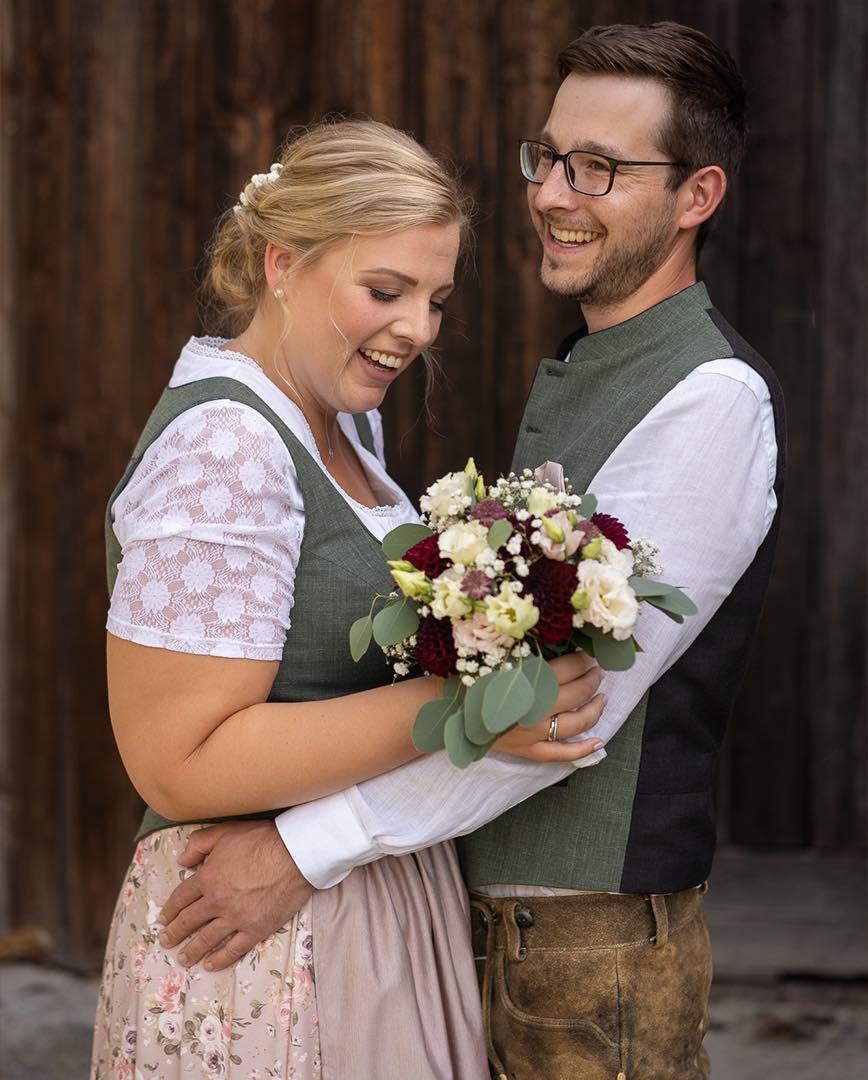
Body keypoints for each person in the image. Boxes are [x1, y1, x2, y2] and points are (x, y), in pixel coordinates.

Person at [157, 22, 785, 1080]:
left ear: (696, 198)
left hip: (586, 950)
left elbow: (569, 712)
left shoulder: (711, 401)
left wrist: (301, 850)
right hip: (480, 926)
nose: (550, 193)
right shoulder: (595, 366)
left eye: (600, 168)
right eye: (548, 156)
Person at [90, 119, 608, 1080]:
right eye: (386, 290)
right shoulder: (226, 449)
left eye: (437, 299)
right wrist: (469, 708)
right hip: (253, 943)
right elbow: (179, 763)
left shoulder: (342, 435)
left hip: (362, 904)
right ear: (283, 264)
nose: (418, 328)